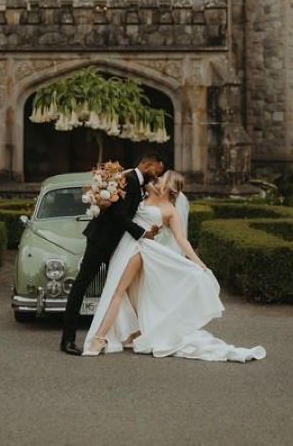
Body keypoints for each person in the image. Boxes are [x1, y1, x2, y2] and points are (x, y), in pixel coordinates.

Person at [82, 170, 266, 362]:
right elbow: (129, 178)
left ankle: (99, 338)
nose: (157, 179)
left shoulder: (170, 210)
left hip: (140, 248)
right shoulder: (145, 193)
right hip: (126, 244)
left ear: (169, 186)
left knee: (117, 291)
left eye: (162, 178)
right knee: (130, 293)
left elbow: (181, 240)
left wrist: (199, 263)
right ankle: (134, 333)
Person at [59, 152, 165, 355]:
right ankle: (67, 340)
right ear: (148, 164)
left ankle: (123, 334)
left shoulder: (136, 182)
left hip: (116, 243)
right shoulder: (132, 180)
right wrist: (142, 234)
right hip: (101, 240)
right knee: (82, 285)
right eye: (158, 169)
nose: (158, 174)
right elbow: (118, 216)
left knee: (119, 287)